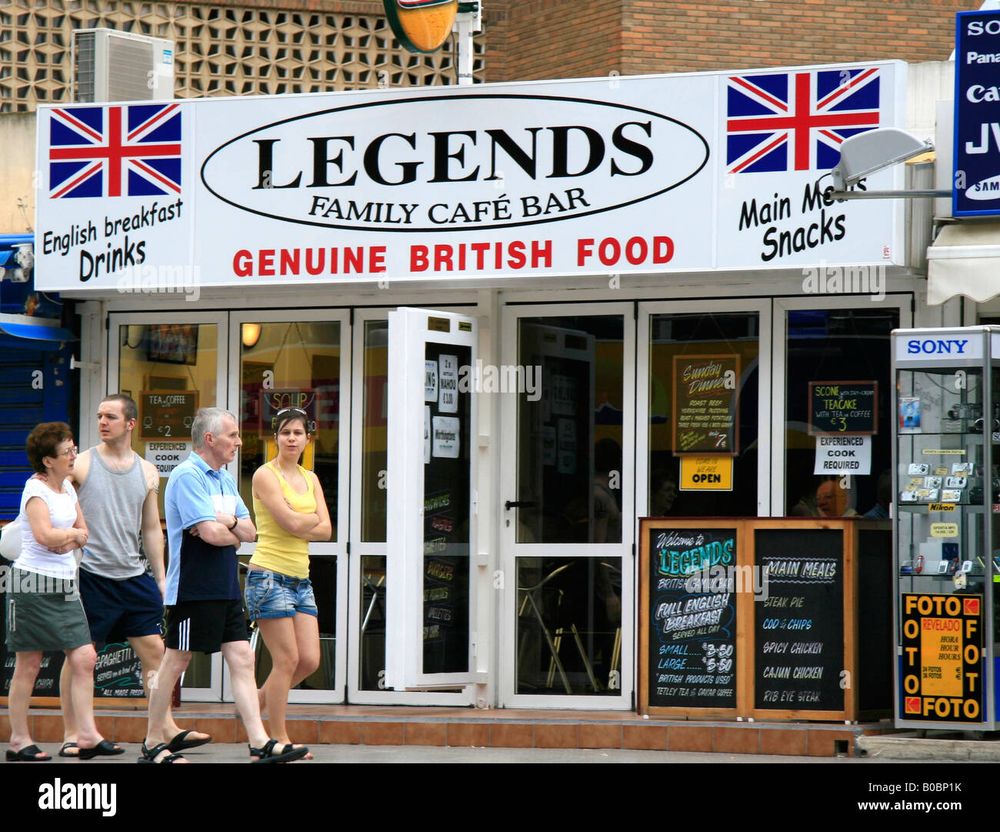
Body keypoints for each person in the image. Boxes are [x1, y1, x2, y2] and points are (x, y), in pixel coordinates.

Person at [139, 407, 307, 764]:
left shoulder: (225, 480)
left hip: (226, 585)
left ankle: (258, 741)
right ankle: (153, 741)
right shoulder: (187, 476)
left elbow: (250, 532)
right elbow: (212, 535)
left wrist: (225, 522)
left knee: (243, 658)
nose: (238, 442)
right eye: (232, 435)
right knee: (175, 660)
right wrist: (226, 530)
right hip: (193, 588)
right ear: (210, 439)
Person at [58, 394, 210, 758]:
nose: (102, 421)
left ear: (131, 424)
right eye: (99, 415)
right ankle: (72, 733)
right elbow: (53, 498)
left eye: (110, 416)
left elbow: (151, 528)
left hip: (134, 577)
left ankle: (165, 728)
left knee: (156, 653)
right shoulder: (82, 464)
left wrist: (161, 577)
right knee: (81, 657)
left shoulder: (147, 471)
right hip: (92, 575)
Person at [5, 422, 122, 761]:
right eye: (67, 452)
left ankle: (86, 734)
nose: (73, 456)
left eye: (74, 449)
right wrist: (69, 537)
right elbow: (44, 536)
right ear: (47, 461)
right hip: (31, 583)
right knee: (29, 663)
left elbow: (82, 530)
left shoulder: (68, 487)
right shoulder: (35, 491)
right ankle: (19, 740)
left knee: (85, 657)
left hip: (65, 582)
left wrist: (68, 538)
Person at [248, 407, 331, 756]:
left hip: (301, 579)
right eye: (285, 433)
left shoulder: (311, 479)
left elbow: (327, 531)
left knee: (309, 660)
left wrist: (302, 519)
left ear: (308, 438)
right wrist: (307, 518)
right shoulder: (265, 475)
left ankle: (253, 705)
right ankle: (278, 739)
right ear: (275, 438)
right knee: (286, 660)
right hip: (269, 576)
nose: (291, 439)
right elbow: (293, 524)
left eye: (298, 433)